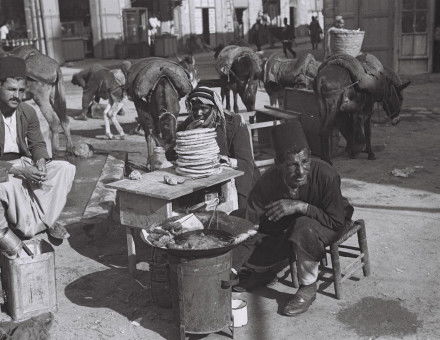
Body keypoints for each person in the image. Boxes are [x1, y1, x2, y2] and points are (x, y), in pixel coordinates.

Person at [231, 120, 353, 316]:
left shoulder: (326, 175)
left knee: (303, 226)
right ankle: (264, 270)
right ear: (278, 164)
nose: (301, 171)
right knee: (235, 218)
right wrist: (231, 267)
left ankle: (308, 286)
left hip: (330, 220)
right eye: (292, 165)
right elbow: (249, 223)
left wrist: (300, 206)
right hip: (290, 226)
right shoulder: (267, 181)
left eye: (305, 162)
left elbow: (336, 221)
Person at [0, 56, 76, 243]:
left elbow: (37, 144)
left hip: (23, 161)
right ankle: (11, 231)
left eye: (20, 90)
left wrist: (40, 162)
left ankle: (44, 221)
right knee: (5, 185)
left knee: (64, 169)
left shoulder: (27, 111)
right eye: (10, 90)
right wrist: (20, 171)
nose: (16, 96)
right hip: (4, 168)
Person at [178, 87, 260, 209]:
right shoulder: (190, 122)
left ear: (214, 107)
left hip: (238, 180)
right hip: (204, 180)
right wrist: (188, 134)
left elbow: (246, 163)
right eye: (195, 109)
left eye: (204, 108)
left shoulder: (233, 123)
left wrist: (225, 160)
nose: (199, 113)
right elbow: (171, 153)